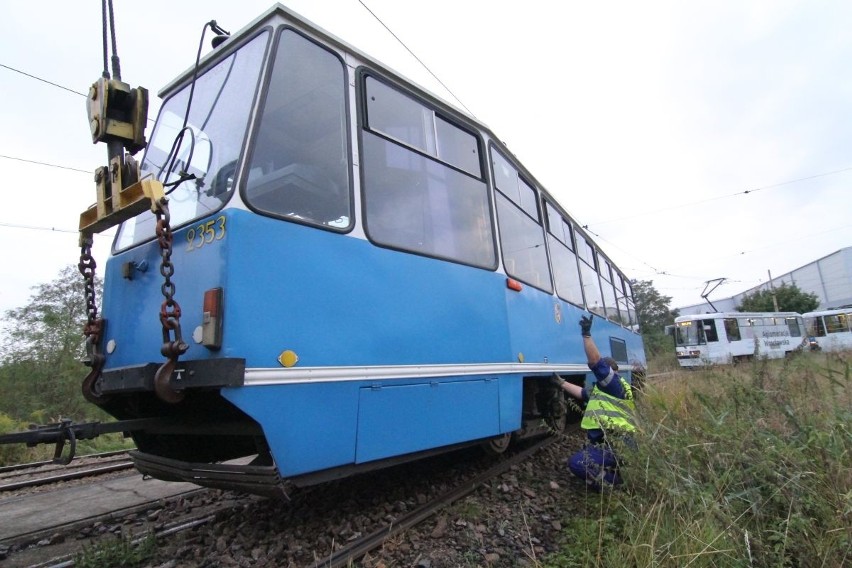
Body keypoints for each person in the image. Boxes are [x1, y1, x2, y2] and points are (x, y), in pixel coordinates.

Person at [551, 314, 636, 491]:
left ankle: (615, 485)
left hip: (618, 443)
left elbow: (595, 362)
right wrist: (562, 383)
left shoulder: (613, 384)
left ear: (611, 372)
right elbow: (583, 393)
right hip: (616, 442)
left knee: (578, 463)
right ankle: (618, 477)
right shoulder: (607, 390)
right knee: (584, 460)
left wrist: (586, 335)